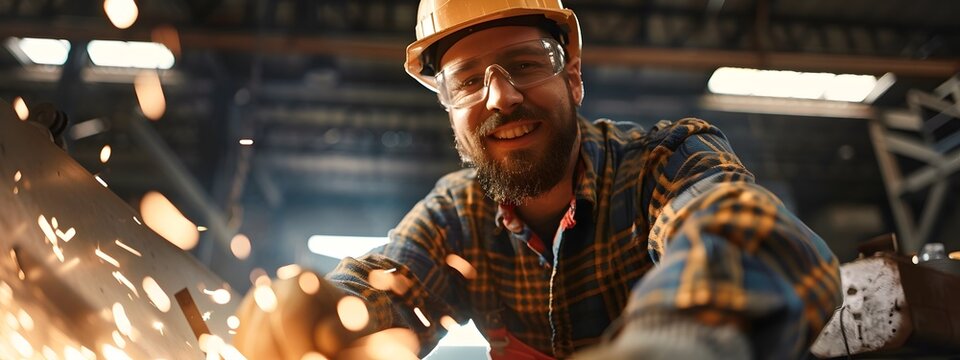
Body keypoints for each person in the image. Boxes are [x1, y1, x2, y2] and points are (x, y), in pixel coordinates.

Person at [234, 0, 842, 359]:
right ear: (448, 108)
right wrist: (312, 323)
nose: (502, 96)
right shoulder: (457, 216)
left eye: (526, 64)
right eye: (468, 81)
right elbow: (380, 292)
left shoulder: (664, 162)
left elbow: (754, 241)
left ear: (573, 76)